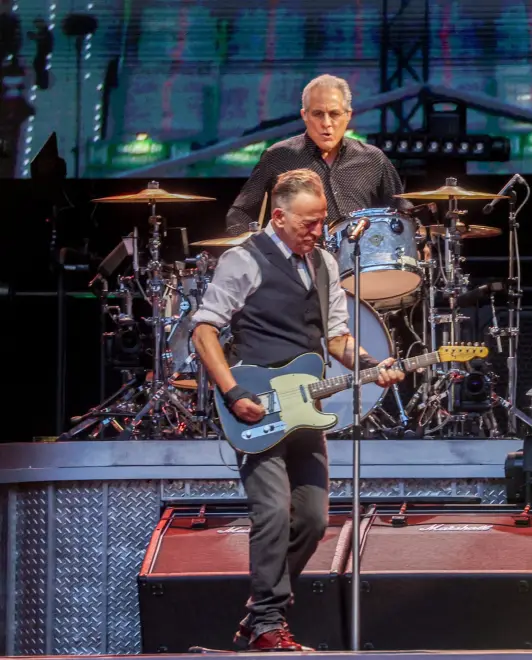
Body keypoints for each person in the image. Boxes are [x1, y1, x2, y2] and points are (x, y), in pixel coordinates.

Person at [192, 168, 404, 651]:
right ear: (280, 216)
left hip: (306, 408)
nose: (318, 229)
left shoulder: (326, 263)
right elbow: (205, 331)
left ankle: (258, 615)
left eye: (323, 220)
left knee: (310, 518)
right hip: (257, 407)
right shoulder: (242, 260)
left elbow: (336, 338)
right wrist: (231, 392)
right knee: (271, 511)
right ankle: (268, 623)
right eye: (309, 222)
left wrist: (373, 363)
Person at [225, 74, 410, 236]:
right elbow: (239, 214)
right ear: (304, 115)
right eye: (318, 114)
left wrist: (415, 239)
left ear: (349, 115)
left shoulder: (373, 159)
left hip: (359, 265)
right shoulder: (278, 157)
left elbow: (402, 213)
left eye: (335, 114)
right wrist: (259, 253)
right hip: (295, 268)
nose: (326, 123)